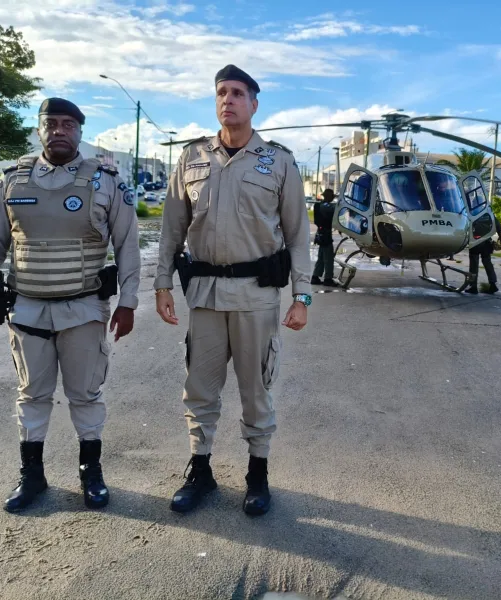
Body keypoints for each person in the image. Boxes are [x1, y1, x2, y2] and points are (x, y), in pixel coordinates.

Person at [0, 98, 141, 512]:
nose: (60, 130)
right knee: (32, 394)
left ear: (80, 131)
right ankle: (32, 475)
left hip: (84, 310)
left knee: (85, 394)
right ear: (40, 129)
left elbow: (128, 247)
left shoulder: (106, 181)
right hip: (27, 309)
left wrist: (129, 302)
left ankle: (91, 472)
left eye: (68, 124)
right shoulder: (12, 181)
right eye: (51, 123)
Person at [155, 65, 311, 517]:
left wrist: (303, 296)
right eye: (221, 92)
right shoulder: (192, 158)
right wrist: (162, 282)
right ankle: (199, 470)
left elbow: (298, 236)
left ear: (254, 104)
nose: (228, 99)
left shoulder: (278, 161)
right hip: (203, 294)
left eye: (238, 92)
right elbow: (171, 228)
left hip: (256, 296)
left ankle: (257, 475)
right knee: (199, 387)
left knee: (255, 389)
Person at [465, 218, 501, 295]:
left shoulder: (473, 214)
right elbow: (498, 226)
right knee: (488, 264)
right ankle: (493, 284)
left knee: (473, 265)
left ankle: (473, 286)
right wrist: (500, 236)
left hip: (475, 243)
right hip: (486, 243)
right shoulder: (488, 214)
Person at [312, 188, 337, 286]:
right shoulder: (325, 206)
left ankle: (315, 276)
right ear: (329, 197)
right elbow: (334, 208)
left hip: (321, 233)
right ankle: (328, 278)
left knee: (321, 257)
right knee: (329, 257)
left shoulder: (319, 205)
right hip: (325, 234)